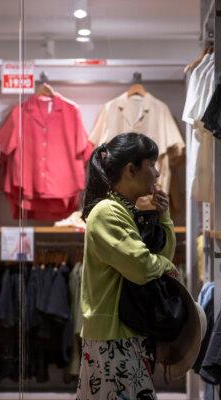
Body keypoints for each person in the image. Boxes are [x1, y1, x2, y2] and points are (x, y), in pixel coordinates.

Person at [76, 132, 178, 400]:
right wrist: (165, 266)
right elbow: (143, 267)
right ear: (131, 169)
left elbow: (159, 257)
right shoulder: (107, 212)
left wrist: (163, 217)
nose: (157, 174)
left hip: (124, 330)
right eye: (152, 165)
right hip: (113, 334)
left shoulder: (125, 209)